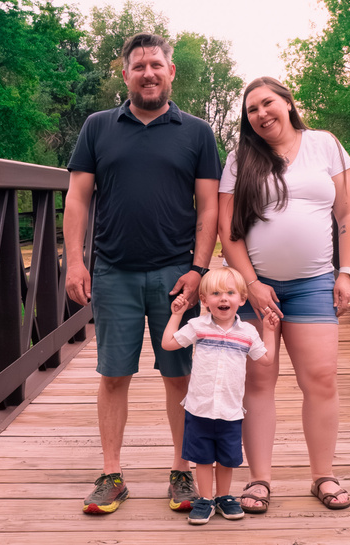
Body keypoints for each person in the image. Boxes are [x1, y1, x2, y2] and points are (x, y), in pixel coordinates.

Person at [63, 32, 222, 515]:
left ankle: (183, 472)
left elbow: (210, 207)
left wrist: (198, 269)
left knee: (180, 376)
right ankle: (112, 475)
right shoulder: (97, 127)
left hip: (177, 275)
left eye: (157, 64)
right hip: (113, 272)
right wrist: (74, 259)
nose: (148, 72)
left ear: (171, 72)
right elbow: (77, 198)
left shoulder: (196, 133)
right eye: (139, 65)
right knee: (114, 375)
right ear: (125, 73)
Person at [217, 77, 350, 513]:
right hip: (253, 289)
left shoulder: (326, 145)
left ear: (287, 101)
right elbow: (228, 230)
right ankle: (259, 479)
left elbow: (349, 213)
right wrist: (253, 284)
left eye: (267, 103)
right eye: (251, 110)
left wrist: (346, 271)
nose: (261, 114)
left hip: (314, 283)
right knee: (258, 382)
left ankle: (323, 475)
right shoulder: (240, 159)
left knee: (320, 379)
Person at [161, 267, 279, 525]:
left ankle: (223, 497)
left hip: (230, 409)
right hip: (200, 407)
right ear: (204, 301)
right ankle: (205, 499)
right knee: (202, 458)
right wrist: (176, 315)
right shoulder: (198, 326)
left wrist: (269, 331)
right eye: (215, 293)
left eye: (230, 293)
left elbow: (267, 359)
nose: (223, 298)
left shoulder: (247, 332)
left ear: (242, 298)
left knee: (226, 458)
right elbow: (168, 343)